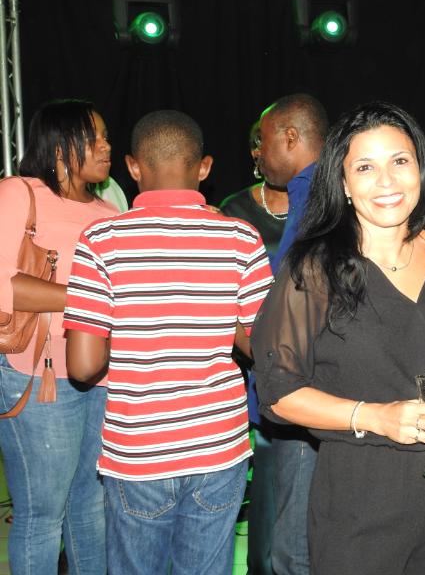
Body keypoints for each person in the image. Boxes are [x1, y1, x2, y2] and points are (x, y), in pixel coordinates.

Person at [251, 101, 425, 574]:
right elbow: (278, 391)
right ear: (344, 184)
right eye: (365, 167)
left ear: (420, 169)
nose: (386, 181)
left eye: (400, 161)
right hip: (361, 506)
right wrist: (377, 417)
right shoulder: (314, 269)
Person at [62, 109, 274, 575]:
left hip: (139, 450)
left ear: (133, 167)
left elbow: (82, 365)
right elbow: (265, 347)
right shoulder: (239, 236)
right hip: (218, 445)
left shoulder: (101, 239)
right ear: (204, 167)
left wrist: (134, 330)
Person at [0, 99, 119, 575]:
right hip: (39, 375)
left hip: (102, 375)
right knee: (42, 514)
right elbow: (4, 285)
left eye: (107, 137)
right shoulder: (18, 193)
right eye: (96, 137)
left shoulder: (109, 210)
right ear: (59, 145)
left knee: (92, 507)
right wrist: (86, 297)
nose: (107, 146)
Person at [229, 93, 328, 575]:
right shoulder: (337, 184)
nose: (258, 153)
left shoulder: (311, 191)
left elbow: (293, 295)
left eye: (264, 141)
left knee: (293, 547)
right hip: (329, 383)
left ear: (291, 137)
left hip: (307, 383)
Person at [218, 118, 289, 575]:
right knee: (267, 471)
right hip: (251, 351)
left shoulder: (321, 203)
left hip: (310, 350)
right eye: (257, 145)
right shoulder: (236, 208)